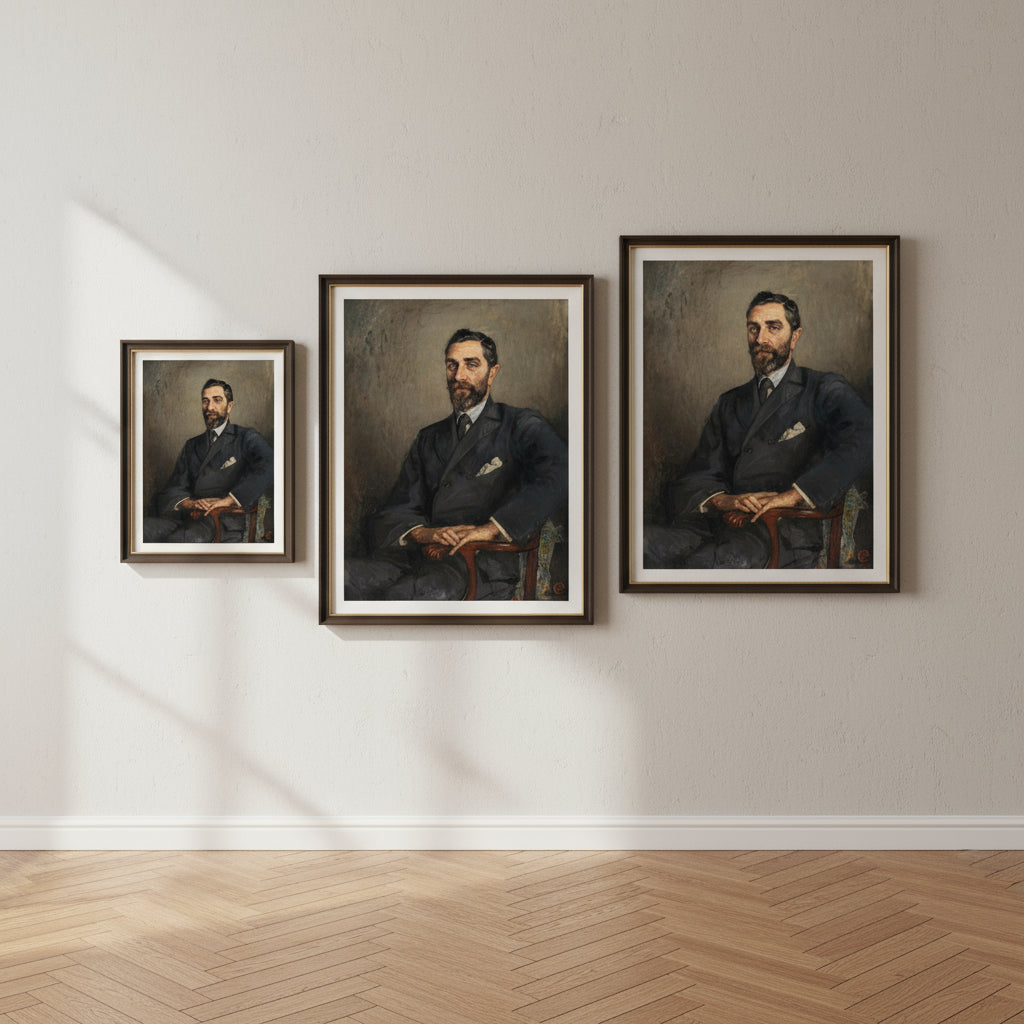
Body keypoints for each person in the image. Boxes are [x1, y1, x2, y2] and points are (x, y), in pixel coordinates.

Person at [644, 291, 872, 569]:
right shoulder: (729, 402)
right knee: (640, 546)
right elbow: (697, 475)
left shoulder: (823, 388)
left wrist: (792, 495)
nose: (760, 339)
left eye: (773, 327)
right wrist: (725, 501)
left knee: (704, 565)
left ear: (795, 336)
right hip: (714, 525)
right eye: (754, 328)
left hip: (779, 531)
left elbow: (865, 438)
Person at [345, 328, 569, 600]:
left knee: (404, 597)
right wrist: (426, 534)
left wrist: (490, 529)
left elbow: (562, 473)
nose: (459, 376)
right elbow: (397, 508)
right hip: (415, 557)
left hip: (477, 564)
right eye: (452, 365)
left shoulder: (519, 425)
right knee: (343, 579)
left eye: (471, 364)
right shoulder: (429, 437)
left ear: (493, 372)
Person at [143, 378, 274, 543]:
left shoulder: (246, 437)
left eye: (217, 400)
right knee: (142, 530)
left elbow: (271, 465)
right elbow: (174, 487)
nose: (209, 407)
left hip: (222, 521)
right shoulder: (192, 445)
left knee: (180, 540)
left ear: (230, 406)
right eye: (205, 401)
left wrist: (229, 500)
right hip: (188, 517)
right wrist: (189, 504)